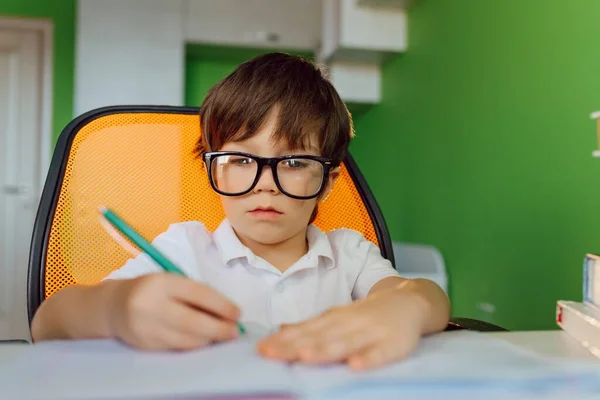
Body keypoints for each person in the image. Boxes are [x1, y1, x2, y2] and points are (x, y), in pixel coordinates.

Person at [31, 52, 450, 371]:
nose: (266, 183)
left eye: (294, 163)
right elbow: (47, 323)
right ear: (213, 168)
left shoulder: (349, 254)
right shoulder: (187, 248)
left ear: (328, 181)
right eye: (241, 160)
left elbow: (422, 297)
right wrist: (116, 309)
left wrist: (404, 307)